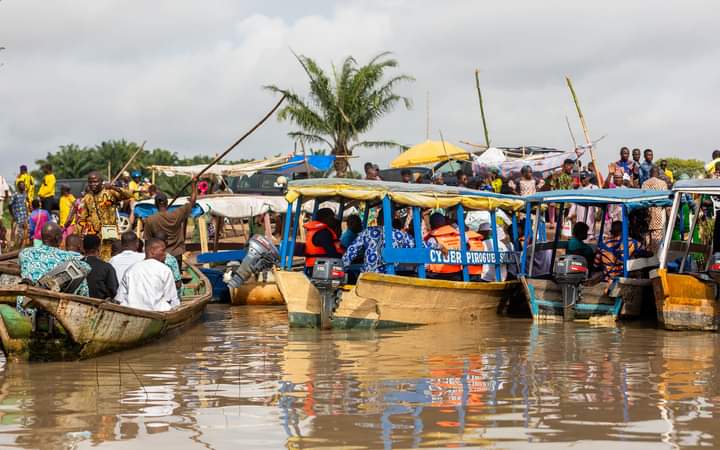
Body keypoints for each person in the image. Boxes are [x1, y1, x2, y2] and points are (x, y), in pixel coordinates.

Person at [19, 222, 90, 302]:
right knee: (79, 273)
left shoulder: (25, 253)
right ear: (58, 238)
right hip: (54, 302)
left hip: (26, 302)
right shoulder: (71, 257)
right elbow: (87, 268)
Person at [143, 178, 197, 270]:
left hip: (158, 256)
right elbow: (193, 200)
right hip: (176, 254)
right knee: (175, 280)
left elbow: (147, 241)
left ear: (155, 204)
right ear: (167, 203)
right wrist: (194, 184)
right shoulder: (177, 214)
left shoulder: (150, 220)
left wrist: (147, 258)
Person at [76, 171, 132, 260]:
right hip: (95, 236)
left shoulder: (110, 192)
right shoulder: (87, 198)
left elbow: (129, 195)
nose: (92, 184)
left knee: (111, 258)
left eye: (95, 181)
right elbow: (82, 218)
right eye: (90, 182)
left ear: (102, 181)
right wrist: (80, 236)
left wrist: (113, 187)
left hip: (110, 234)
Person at [115, 238, 180, 311]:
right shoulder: (165, 270)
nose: (165, 254)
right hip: (157, 312)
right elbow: (171, 298)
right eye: (163, 250)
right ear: (152, 250)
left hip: (131, 311)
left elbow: (119, 298)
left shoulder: (130, 270)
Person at [342, 209, 414, 274]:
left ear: (378, 219)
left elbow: (351, 252)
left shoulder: (367, 232)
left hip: (369, 275)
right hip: (391, 277)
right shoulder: (402, 235)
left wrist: (342, 268)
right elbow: (419, 250)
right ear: (392, 219)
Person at [303, 208, 343, 272]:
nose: (334, 220)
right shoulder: (324, 233)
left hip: (314, 266)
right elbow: (332, 253)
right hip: (321, 267)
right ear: (325, 219)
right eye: (332, 218)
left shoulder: (315, 231)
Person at [425, 212, 463, 280]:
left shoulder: (432, 239)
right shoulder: (457, 236)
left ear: (431, 225)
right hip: (457, 273)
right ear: (445, 222)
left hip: (439, 275)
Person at [641, 166, 669, 253]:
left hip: (647, 214)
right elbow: (665, 200)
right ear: (658, 173)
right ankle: (656, 258)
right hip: (658, 214)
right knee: (657, 238)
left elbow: (642, 200)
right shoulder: (663, 183)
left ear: (650, 173)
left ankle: (648, 255)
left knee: (647, 237)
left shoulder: (645, 183)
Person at [82, 234, 118, 300]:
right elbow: (113, 291)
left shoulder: (75, 264)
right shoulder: (107, 267)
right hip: (99, 306)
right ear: (99, 248)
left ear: (83, 248)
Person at [568, 172, 599, 239]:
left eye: (585, 178)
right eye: (582, 178)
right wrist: (570, 215)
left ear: (588, 178)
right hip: (580, 218)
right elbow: (574, 204)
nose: (583, 180)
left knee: (589, 233)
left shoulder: (594, 188)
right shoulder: (578, 189)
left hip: (590, 218)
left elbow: (598, 202)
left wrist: (597, 211)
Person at [8, 180, 29, 248]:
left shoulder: (24, 194)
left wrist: (27, 213)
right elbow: (9, 205)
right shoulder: (15, 195)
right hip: (17, 216)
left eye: (24, 185)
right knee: (14, 231)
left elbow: (25, 203)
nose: (23, 186)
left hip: (24, 216)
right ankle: (12, 246)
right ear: (18, 186)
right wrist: (12, 215)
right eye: (21, 185)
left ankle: (22, 246)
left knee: (24, 231)